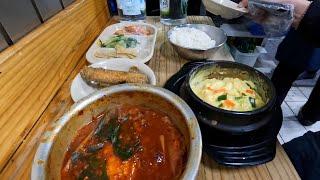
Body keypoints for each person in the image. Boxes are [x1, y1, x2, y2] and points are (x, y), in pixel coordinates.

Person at [240, 1, 320, 179]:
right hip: (309, 21)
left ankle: (273, 119)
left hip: (310, 20)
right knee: (284, 75)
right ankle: (300, 116)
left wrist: (308, 13)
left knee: (285, 74)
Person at [241, 0, 320, 126]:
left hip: (310, 14)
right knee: (287, 69)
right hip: (310, 15)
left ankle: (308, 114)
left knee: (288, 68)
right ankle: (271, 111)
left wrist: (311, 14)